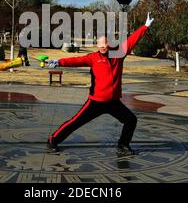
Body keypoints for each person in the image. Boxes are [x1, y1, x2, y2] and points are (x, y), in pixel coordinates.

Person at [46, 12, 154, 156]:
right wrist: (58, 62)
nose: (104, 46)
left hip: (114, 102)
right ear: (98, 45)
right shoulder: (93, 58)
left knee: (131, 119)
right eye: (101, 44)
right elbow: (76, 61)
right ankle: (52, 140)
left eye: (106, 44)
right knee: (75, 122)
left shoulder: (118, 55)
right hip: (96, 102)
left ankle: (123, 145)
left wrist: (145, 26)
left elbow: (131, 41)